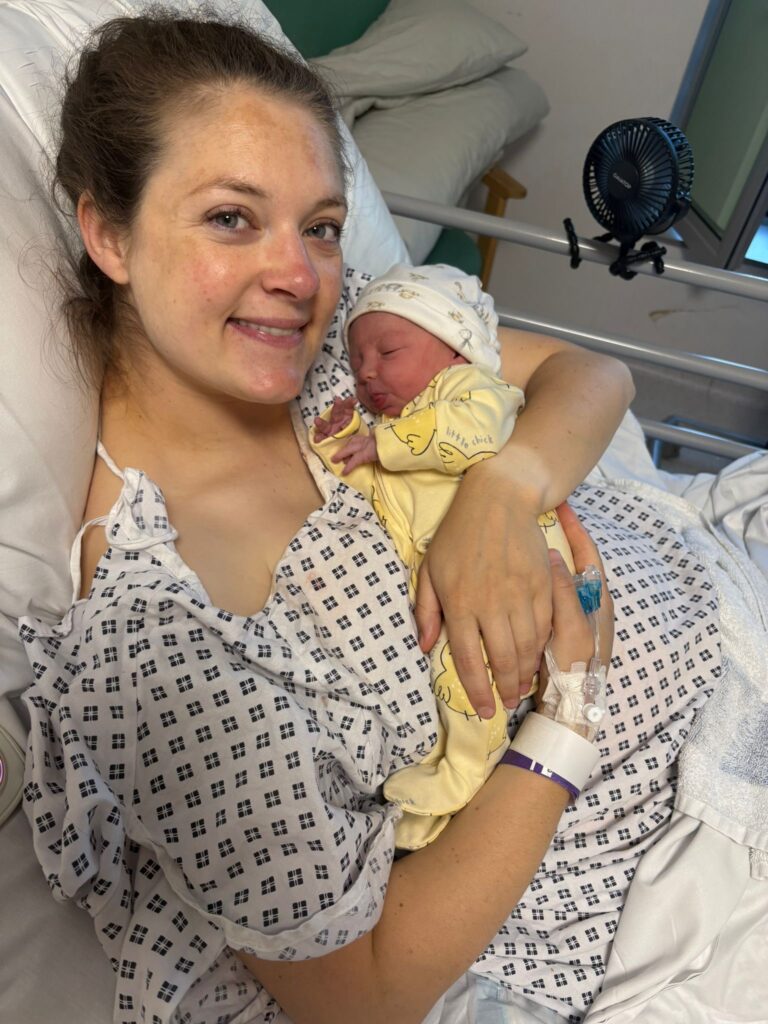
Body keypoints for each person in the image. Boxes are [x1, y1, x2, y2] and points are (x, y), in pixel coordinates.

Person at [17, 11, 721, 1024]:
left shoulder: (349, 350)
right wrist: (571, 713)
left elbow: (593, 373)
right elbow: (366, 993)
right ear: (109, 236)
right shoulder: (167, 634)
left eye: (321, 226)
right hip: (672, 838)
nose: (299, 277)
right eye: (231, 218)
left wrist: (505, 487)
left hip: (720, 617)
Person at [309, 263, 583, 850]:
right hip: (453, 582)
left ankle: (462, 775)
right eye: (357, 360)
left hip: (515, 572)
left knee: (471, 679)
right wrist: (343, 446)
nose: (367, 371)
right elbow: (380, 493)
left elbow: (472, 436)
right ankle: (451, 786)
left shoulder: (472, 391)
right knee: (453, 678)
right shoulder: (398, 428)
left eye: (388, 351)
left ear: (457, 350)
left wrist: (380, 442)